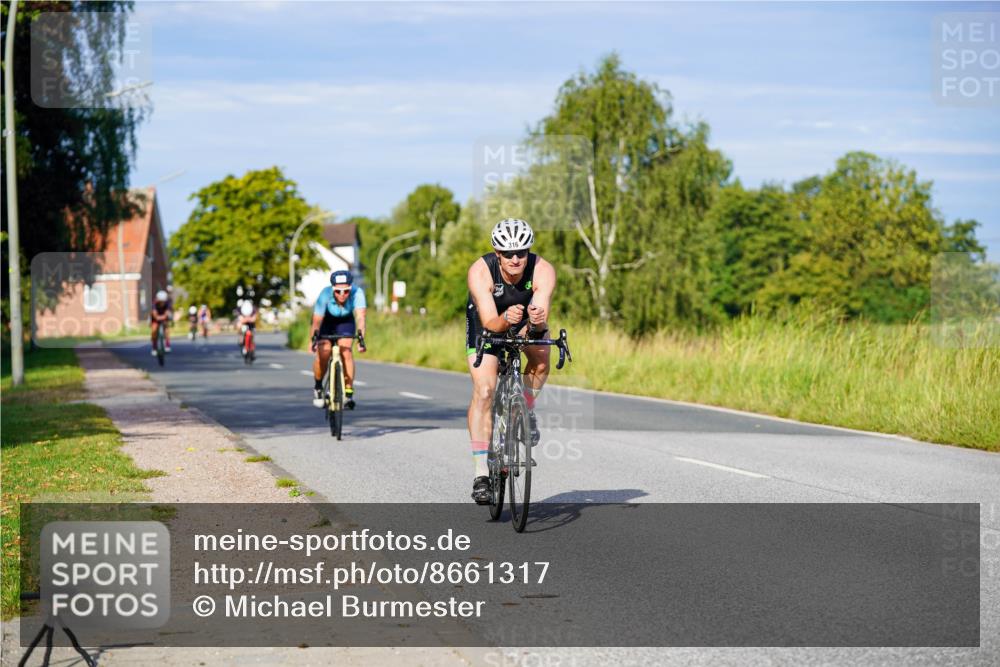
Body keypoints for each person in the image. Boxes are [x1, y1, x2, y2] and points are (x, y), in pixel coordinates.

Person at [466, 218, 555, 504]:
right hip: (488, 322)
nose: (516, 259)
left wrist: (538, 323)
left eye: (522, 252)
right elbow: (491, 321)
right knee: (485, 390)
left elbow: (539, 320)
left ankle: (525, 408)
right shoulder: (481, 271)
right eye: (508, 253)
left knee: (541, 358)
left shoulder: (543, 270)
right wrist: (505, 319)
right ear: (497, 252)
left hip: (524, 321)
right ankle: (481, 472)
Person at [309, 270, 366, 409]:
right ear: (332, 289)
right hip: (326, 322)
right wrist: (313, 340)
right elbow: (317, 321)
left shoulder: (358, 293)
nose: (342, 295)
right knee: (324, 352)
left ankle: (348, 392)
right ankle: (318, 387)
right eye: (338, 291)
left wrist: (361, 339)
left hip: (345, 322)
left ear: (350, 288)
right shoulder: (325, 294)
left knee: (346, 351)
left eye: (346, 291)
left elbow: (360, 317)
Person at [150, 289, 173, 355]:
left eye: (163, 301)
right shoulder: (154, 303)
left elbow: (167, 312)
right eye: (161, 301)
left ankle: (167, 345)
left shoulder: (167, 303)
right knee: (154, 330)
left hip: (164, 316)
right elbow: (154, 313)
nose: (162, 303)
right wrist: (157, 318)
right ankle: (154, 348)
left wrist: (164, 317)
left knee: (166, 329)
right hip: (155, 317)